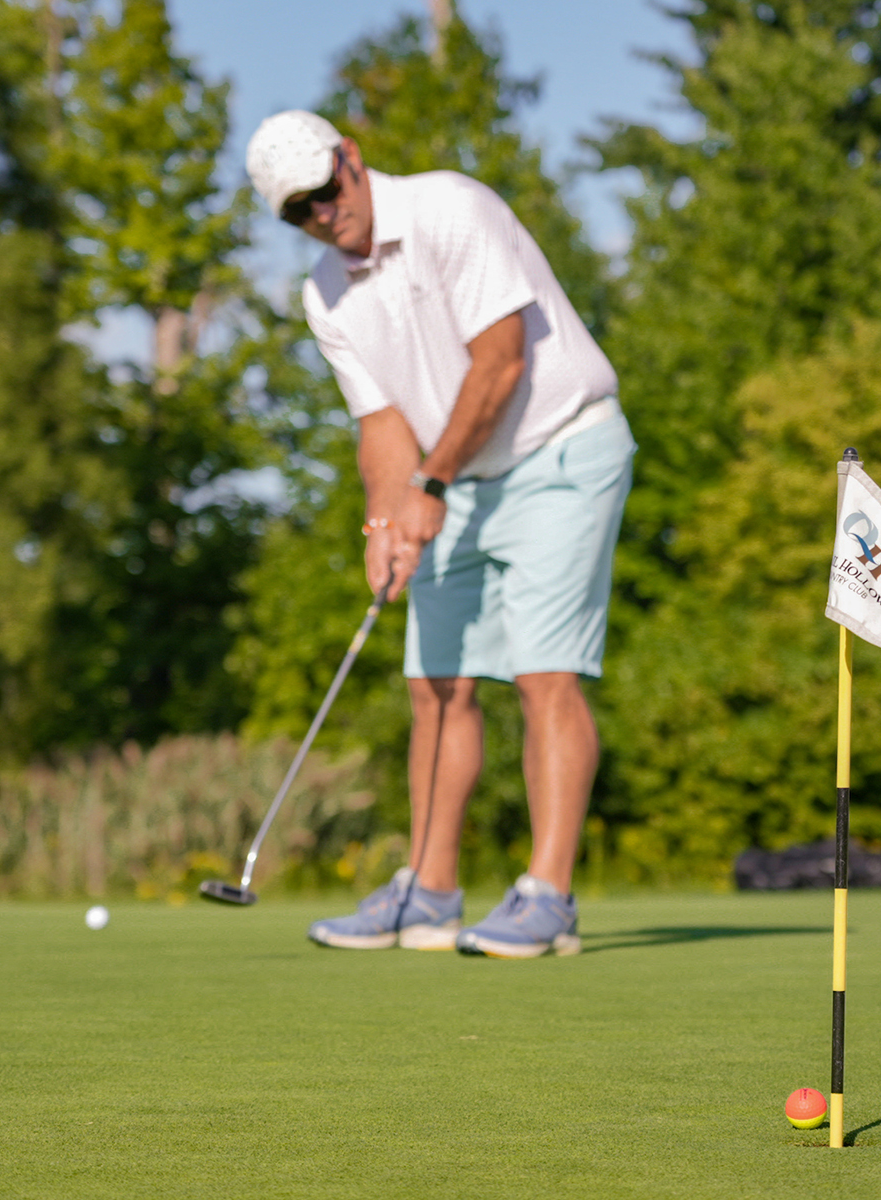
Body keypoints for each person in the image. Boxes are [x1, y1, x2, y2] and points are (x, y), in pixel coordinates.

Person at [245, 110, 635, 958]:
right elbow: (382, 422)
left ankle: (549, 897)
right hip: (457, 479)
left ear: (351, 157)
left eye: (324, 190)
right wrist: (383, 522)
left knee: (542, 674)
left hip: (561, 449)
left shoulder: (451, 208)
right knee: (436, 683)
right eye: (298, 211)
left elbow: (502, 362)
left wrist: (429, 484)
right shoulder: (325, 292)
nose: (322, 214)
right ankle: (428, 892)